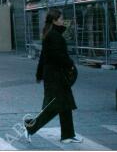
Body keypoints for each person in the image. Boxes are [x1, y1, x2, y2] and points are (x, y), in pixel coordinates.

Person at [24, 9, 82, 144]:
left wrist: (39, 74)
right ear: (55, 21)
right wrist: (71, 64)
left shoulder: (50, 34)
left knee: (65, 105)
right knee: (54, 106)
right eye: (61, 19)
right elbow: (58, 57)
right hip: (56, 77)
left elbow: (43, 57)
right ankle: (30, 127)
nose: (63, 21)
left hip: (54, 76)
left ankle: (68, 135)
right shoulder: (54, 36)